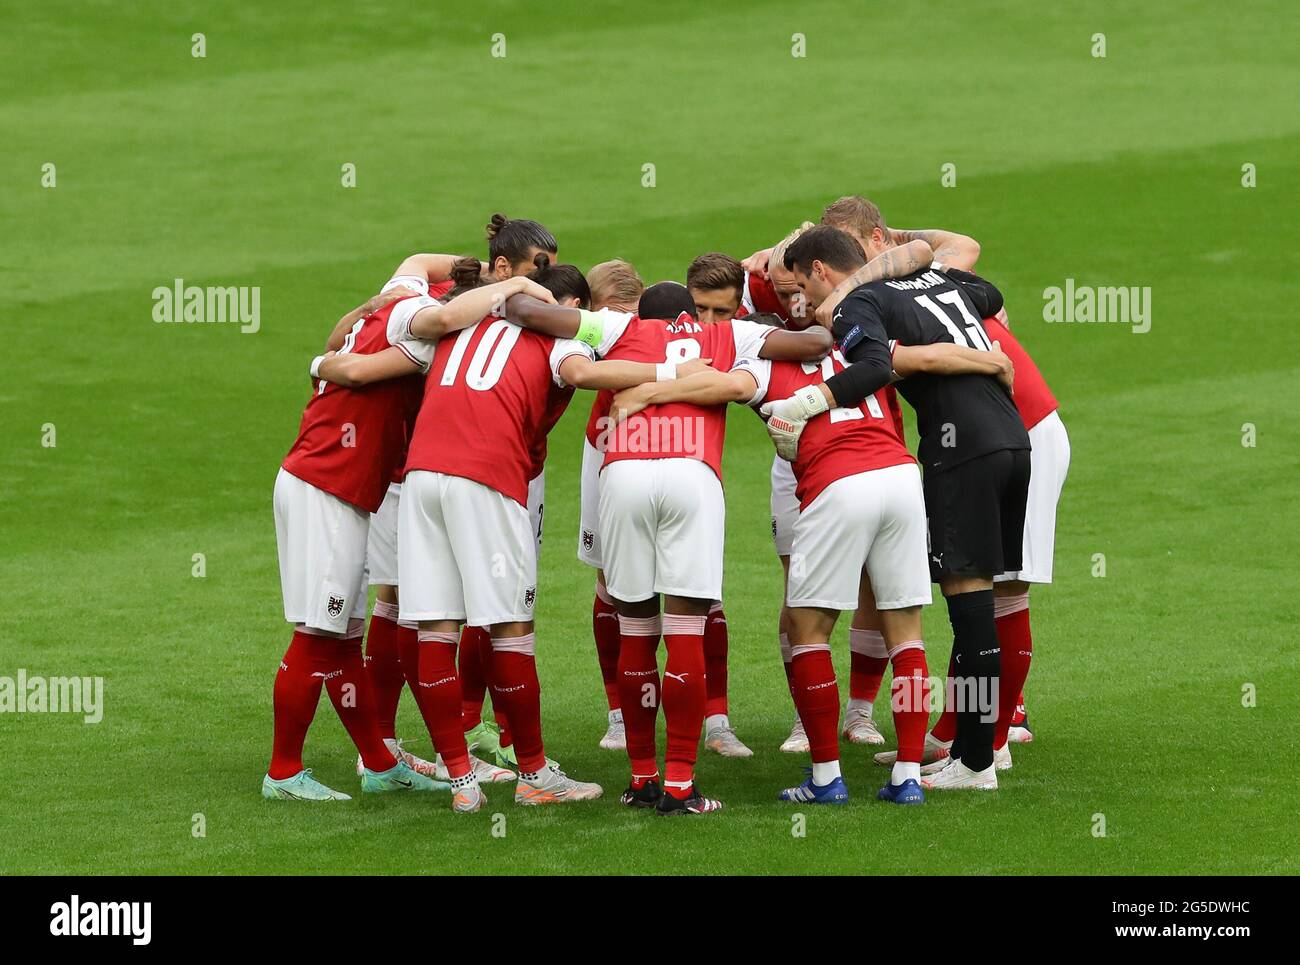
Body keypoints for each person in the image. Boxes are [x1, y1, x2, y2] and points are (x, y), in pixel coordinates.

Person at [503, 282, 832, 814]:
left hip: (624, 472)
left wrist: (526, 290)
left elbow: (528, 313)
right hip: (691, 475)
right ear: (687, 315)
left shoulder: (615, 327)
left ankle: (640, 778)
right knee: (686, 632)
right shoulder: (726, 332)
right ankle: (681, 785)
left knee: (635, 626)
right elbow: (816, 343)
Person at [774, 225, 1030, 791]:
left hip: (960, 447)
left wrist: (804, 404)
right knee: (979, 605)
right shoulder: (936, 281)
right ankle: (970, 749)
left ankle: (978, 763)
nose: (807, 305)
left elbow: (868, 369)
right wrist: (987, 358)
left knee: (972, 611)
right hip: (1012, 438)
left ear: (821, 269)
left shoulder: (858, 304)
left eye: (805, 290)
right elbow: (988, 295)